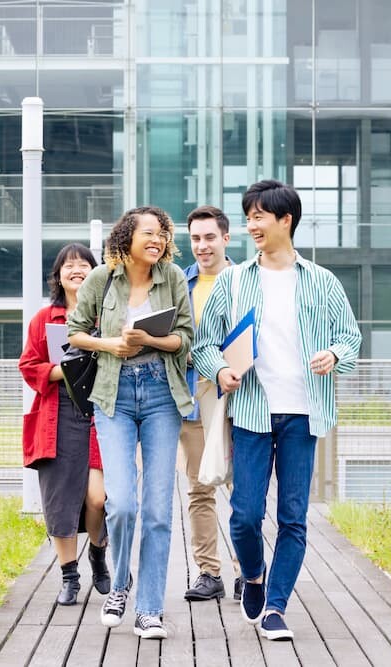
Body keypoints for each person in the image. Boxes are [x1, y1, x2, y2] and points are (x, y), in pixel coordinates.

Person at [192, 180, 362, 641]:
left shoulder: (322, 281)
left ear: (285, 220)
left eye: (258, 217)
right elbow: (204, 343)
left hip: (303, 413)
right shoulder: (233, 280)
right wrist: (221, 369)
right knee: (245, 514)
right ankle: (253, 575)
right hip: (250, 412)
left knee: (292, 516)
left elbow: (351, 338)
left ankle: (276, 607)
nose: (251, 225)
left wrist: (333, 354)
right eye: (247, 217)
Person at [67, 206, 194, 640]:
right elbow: (75, 332)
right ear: (127, 236)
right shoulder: (102, 278)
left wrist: (148, 340)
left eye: (162, 234)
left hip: (161, 392)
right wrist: (112, 343)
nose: (156, 240)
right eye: (148, 233)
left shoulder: (174, 278)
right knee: (121, 504)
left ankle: (150, 610)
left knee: (158, 511)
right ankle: (119, 584)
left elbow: (184, 340)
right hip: (113, 395)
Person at [19, 243, 111, 606]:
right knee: (59, 502)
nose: (77, 270)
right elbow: (29, 365)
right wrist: (65, 371)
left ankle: (99, 555)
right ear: (58, 276)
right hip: (57, 417)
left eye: (84, 264)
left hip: (99, 415)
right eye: (68, 266)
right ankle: (69, 576)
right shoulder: (45, 318)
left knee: (98, 497)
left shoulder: (107, 314)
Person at [178, 205, 242, 603]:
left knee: (241, 489)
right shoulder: (179, 283)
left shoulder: (244, 282)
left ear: (225, 239)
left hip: (237, 398)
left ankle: (247, 571)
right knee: (200, 488)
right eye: (196, 239)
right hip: (191, 397)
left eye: (209, 238)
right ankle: (208, 572)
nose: (202, 246)